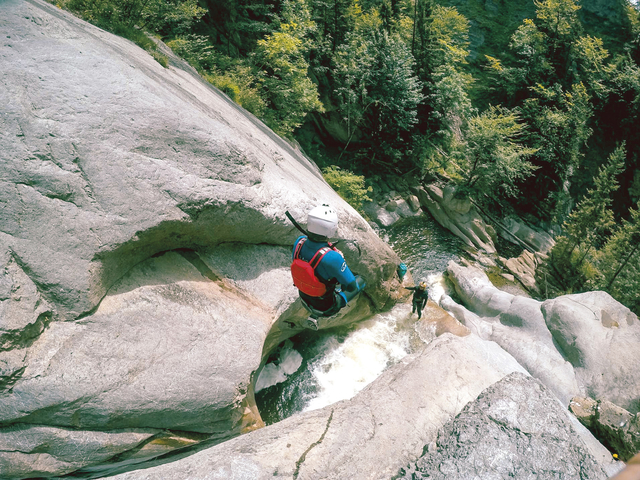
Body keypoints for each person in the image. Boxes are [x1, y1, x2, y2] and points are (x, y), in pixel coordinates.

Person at [291, 204, 365, 330]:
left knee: (322, 276)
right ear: (331, 229)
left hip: (304, 297)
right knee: (361, 280)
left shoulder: (299, 242)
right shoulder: (332, 257)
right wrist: (340, 260)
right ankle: (334, 302)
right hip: (327, 307)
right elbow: (351, 287)